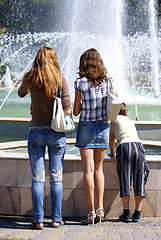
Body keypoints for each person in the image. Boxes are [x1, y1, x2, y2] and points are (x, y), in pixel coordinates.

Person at [18, 46, 72, 230]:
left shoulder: (31, 78)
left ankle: (38, 220)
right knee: (56, 178)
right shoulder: (60, 80)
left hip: (36, 132)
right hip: (56, 133)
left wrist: (28, 77)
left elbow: (20, 93)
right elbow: (68, 109)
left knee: (37, 178)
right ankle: (56, 219)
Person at [73, 48, 114, 225]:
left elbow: (76, 111)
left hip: (85, 126)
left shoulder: (79, 83)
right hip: (103, 127)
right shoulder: (108, 81)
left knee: (88, 170)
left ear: (84, 63)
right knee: (99, 169)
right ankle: (100, 208)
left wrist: (84, 106)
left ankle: (90, 212)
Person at [109, 102, 149, 222]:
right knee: (139, 179)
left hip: (125, 147)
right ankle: (137, 213)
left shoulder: (114, 119)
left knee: (125, 178)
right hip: (138, 146)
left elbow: (112, 138)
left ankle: (126, 213)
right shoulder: (129, 120)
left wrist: (112, 153)